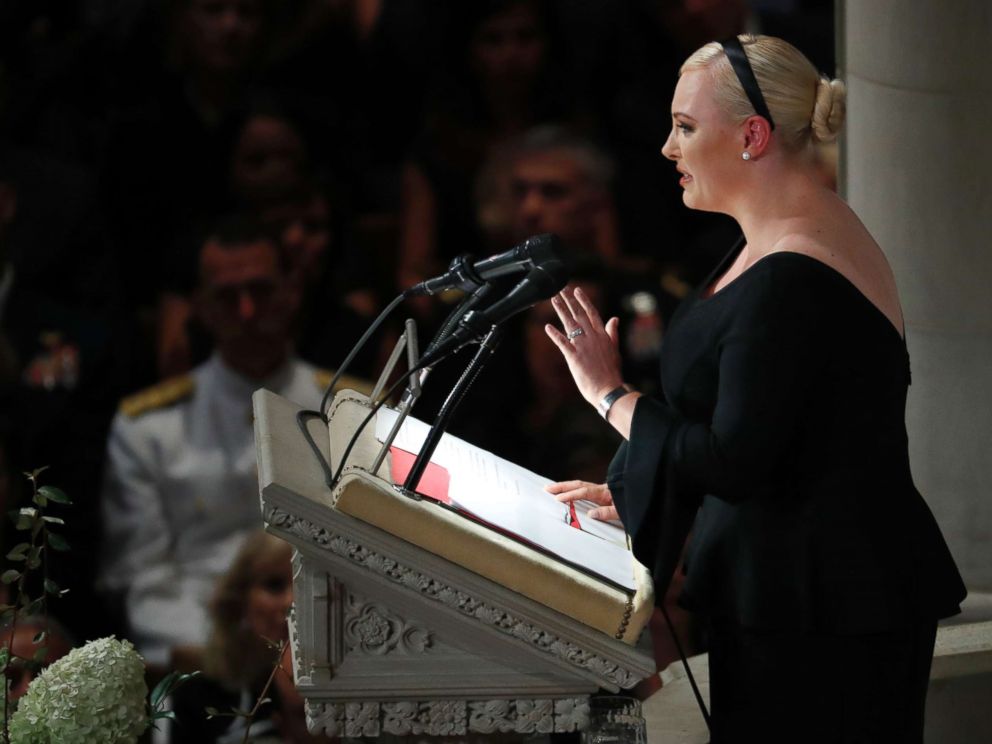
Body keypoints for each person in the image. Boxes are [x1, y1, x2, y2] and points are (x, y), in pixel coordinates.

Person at [543, 34, 966, 743]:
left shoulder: (791, 276)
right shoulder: (773, 240)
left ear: (752, 135)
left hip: (824, 611)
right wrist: (634, 485)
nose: (668, 149)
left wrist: (609, 397)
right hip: (799, 592)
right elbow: (778, 424)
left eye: (684, 127)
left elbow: (736, 459)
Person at [98, 215, 345, 674]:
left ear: (293, 289)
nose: (247, 312)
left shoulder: (350, 410)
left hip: (337, 649)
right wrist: (230, 653)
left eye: (261, 290)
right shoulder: (149, 428)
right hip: (203, 663)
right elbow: (142, 580)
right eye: (227, 298)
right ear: (201, 307)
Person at [170, 531, 330, 742]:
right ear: (240, 602)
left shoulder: (351, 695)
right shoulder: (196, 697)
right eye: (274, 585)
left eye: (308, 585)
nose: (292, 602)